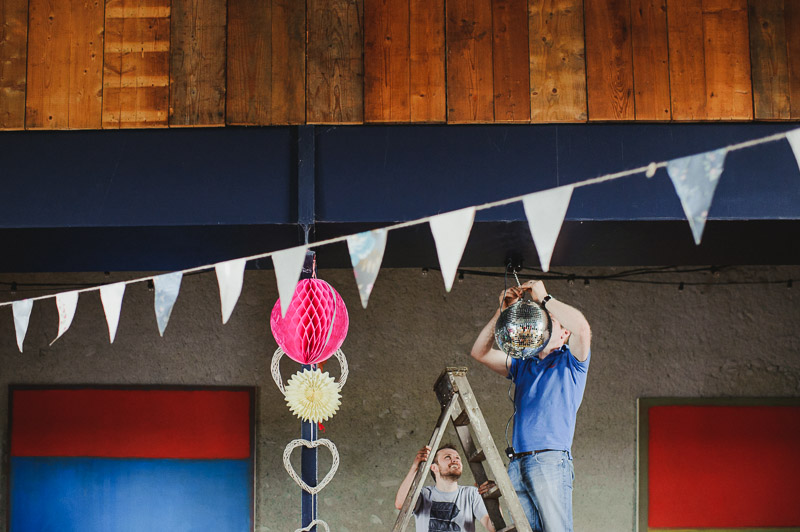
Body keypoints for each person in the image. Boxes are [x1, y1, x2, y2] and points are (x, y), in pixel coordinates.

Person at [470, 279, 591, 532]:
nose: (542, 328)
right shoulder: (523, 363)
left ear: (564, 333)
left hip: (549, 459)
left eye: (551, 323)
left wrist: (544, 299)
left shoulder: (572, 362)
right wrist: (501, 313)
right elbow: (479, 353)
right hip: (518, 463)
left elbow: (582, 328)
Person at [395, 444, 496, 532]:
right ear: (434, 467)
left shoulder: (471, 494)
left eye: (457, 458)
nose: (455, 460)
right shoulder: (424, 494)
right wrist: (415, 466)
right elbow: (401, 504)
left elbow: (492, 527)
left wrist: (493, 498)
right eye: (447, 457)